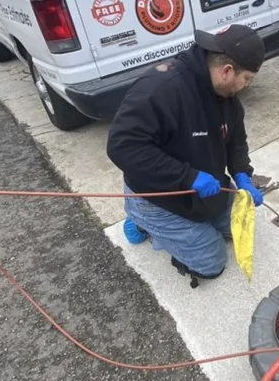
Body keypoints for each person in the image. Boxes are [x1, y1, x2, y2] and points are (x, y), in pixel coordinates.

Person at [106, 25, 265, 281]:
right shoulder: (160, 90)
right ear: (227, 71)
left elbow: (235, 141)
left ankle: (184, 227)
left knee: (237, 230)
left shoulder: (226, 98)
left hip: (201, 189)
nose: (246, 86)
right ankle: (141, 220)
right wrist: (187, 177)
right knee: (212, 262)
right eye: (246, 79)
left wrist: (242, 175)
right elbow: (123, 147)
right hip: (159, 195)